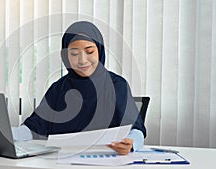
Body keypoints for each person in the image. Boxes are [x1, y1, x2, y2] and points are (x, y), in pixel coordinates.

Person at [12, 21, 146, 155]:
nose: (82, 60)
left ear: (99, 51)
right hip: (61, 162)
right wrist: (6, 134)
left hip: (105, 160)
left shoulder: (117, 85)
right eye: (74, 54)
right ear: (66, 56)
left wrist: (131, 143)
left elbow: (136, 129)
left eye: (89, 51)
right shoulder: (58, 88)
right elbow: (34, 127)